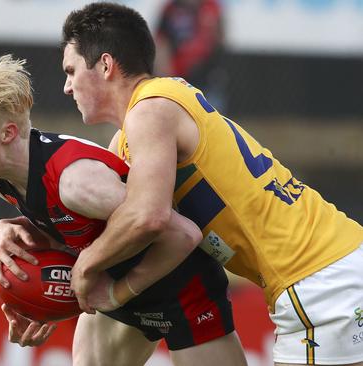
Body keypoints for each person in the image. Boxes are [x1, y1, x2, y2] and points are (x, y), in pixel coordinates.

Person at [55, 2, 363, 365]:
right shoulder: (148, 117)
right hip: (333, 269)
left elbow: (146, 216)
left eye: (71, 71)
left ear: (105, 65)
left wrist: (87, 266)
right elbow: (100, 219)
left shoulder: (150, 111)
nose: (66, 86)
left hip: (319, 285)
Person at [0, 55, 247, 365]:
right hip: (112, 287)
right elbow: (71, 226)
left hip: (182, 290)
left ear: (7, 134)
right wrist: (3, 231)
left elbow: (182, 234)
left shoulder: (76, 182)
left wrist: (116, 292)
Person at [154, 0, 227, 110]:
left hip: (206, 71)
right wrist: (164, 71)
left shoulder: (211, 7)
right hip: (179, 74)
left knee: (211, 113)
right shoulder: (171, 8)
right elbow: (162, 41)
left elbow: (220, 37)